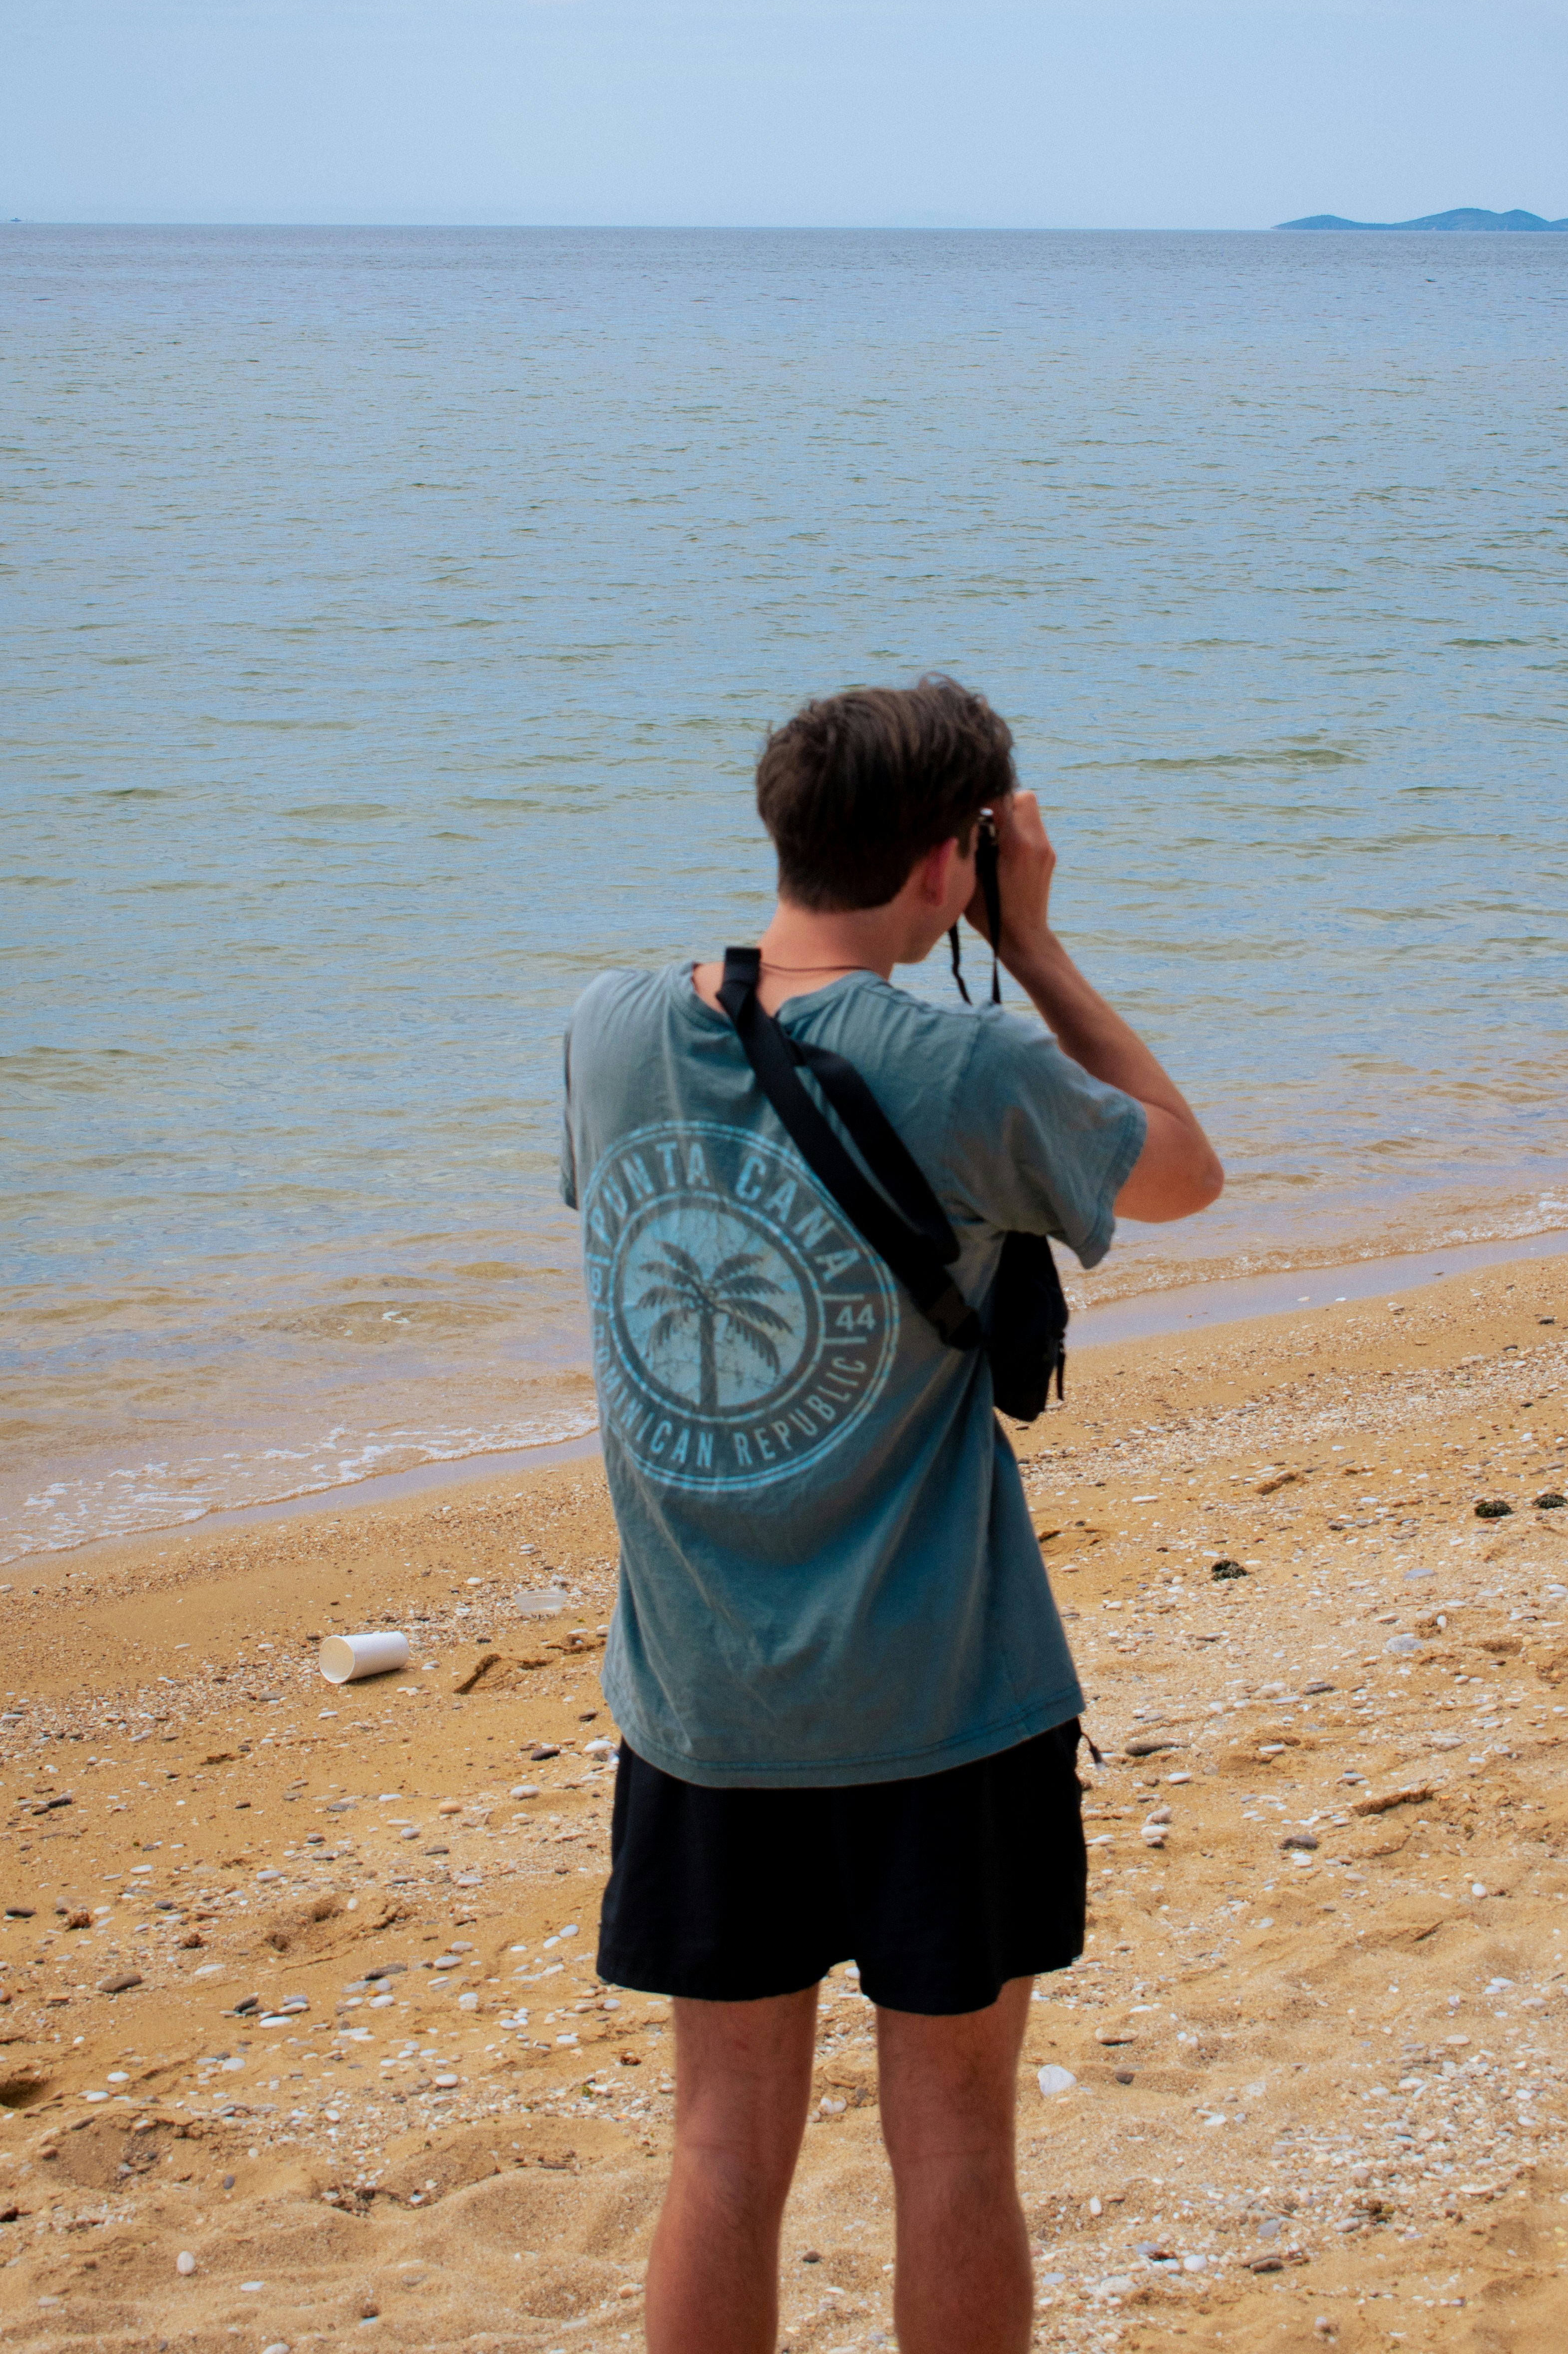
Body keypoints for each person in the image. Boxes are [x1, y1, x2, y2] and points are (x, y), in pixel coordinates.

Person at [561, 677, 1221, 2354]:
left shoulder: (610, 1029)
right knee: (951, 2141)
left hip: (708, 1704)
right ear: (958, 863)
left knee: (719, 2142)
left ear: (784, 828)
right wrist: (1045, 950)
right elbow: (1181, 1169)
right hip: (942, 1696)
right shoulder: (971, 1061)